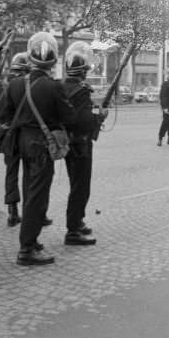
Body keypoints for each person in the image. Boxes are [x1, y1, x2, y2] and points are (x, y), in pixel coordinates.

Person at [0, 31, 75, 266]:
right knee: (37, 197)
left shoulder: (15, 84)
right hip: (42, 144)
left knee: (29, 190)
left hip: (23, 142)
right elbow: (69, 117)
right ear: (52, 61)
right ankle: (27, 248)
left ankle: (31, 240)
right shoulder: (54, 87)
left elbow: (4, 114)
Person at [61, 41, 106, 246]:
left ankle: (77, 221)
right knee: (80, 187)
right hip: (80, 145)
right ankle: (73, 229)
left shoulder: (62, 87)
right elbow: (84, 122)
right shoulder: (81, 91)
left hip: (69, 144)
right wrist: (100, 117)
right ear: (82, 72)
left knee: (76, 185)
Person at [0, 51, 29, 226]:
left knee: (11, 172)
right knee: (30, 172)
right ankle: (31, 211)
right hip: (21, 132)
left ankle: (12, 210)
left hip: (5, 133)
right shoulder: (23, 85)